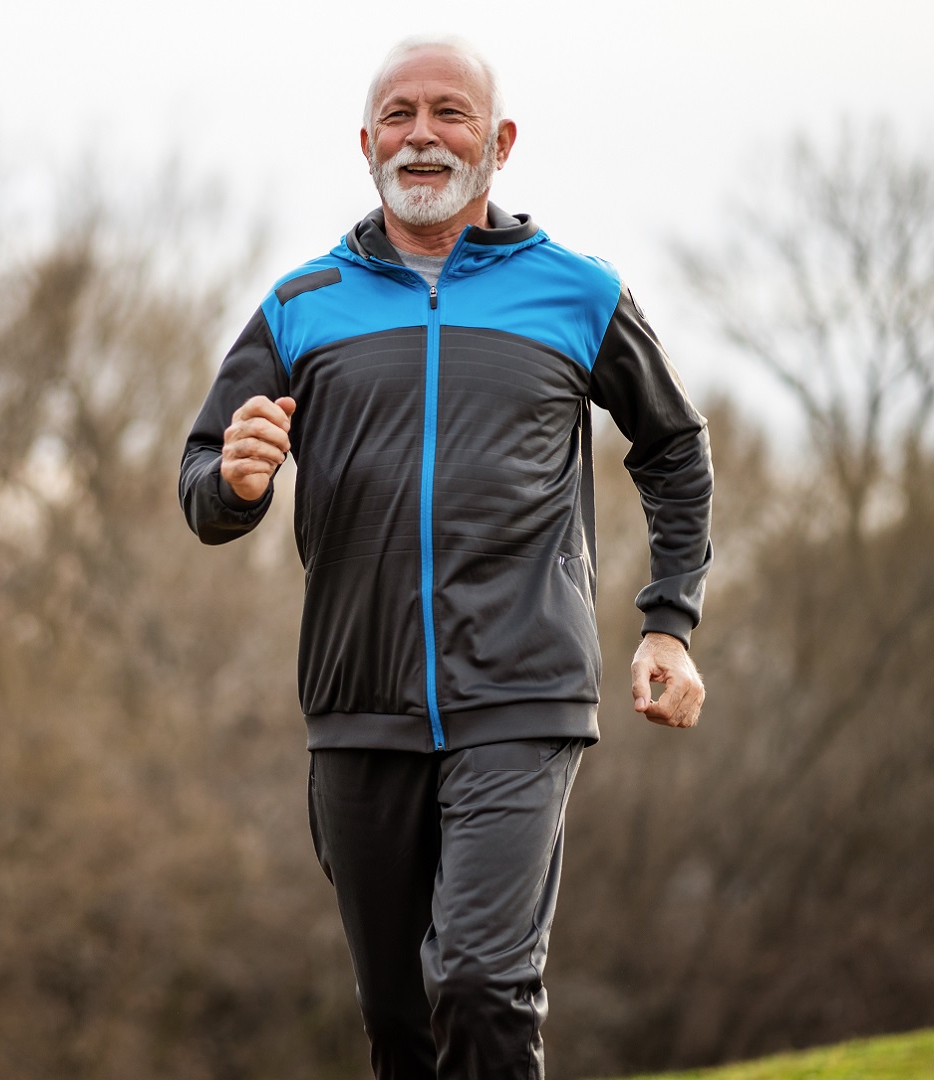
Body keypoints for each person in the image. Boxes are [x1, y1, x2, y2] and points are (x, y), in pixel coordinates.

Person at [176, 35, 714, 1080]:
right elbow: (204, 481)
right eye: (400, 115)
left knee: (479, 982)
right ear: (367, 142)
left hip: (524, 692)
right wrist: (235, 482)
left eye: (451, 114)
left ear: (499, 142)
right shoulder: (301, 304)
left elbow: (675, 447)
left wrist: (669, 620)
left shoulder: (577, 293)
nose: (423, 136)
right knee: (398, 1027)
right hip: (357, 704)